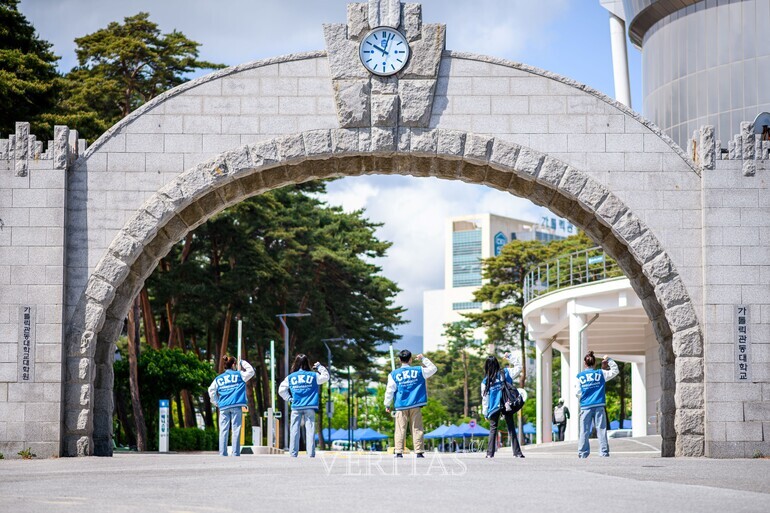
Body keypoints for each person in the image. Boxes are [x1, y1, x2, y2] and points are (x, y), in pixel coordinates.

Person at [384, 349, 437, 458]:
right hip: (415, 404)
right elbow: (433, 369)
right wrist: (423, 359)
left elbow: (390, 390)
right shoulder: (419, 370)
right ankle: (419, 451)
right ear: (411, 359)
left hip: (400, 406)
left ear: (399, 360)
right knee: (417, 428)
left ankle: (398, 452)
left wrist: (387, 404)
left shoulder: (393, 374)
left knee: (400, 429)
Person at [278, 354, 329, 458]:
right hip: (310, 406)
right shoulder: (313, 375)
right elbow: (325, 377)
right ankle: (310, 453)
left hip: (296, 406)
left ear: (296, 363)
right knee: (310, 430)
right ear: (307, 363)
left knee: (294, 430)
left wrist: (289, 398)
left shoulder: (290, 377)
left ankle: (293, 453)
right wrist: (320, 367)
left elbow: (281, 390)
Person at [208, 356, 255, 457]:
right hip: (236, 405)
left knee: (223, 430)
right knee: (236, 429)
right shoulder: (240, 375)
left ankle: (222, 453)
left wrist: (216, 402)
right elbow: (251, 371)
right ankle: (235, 453)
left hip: (223, 406)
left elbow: (211, 391)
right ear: (234, 364)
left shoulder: (218, 378)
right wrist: (242, 362)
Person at [575, 351, 619, 458]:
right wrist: (609, 360)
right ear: (595, 363)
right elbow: (615, 370)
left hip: (586, 406)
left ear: (585, 364)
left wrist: (584, 397)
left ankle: (583, 453)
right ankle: (604, 452)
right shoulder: (601, 373)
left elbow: (577, 393)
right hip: (599, 404)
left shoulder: (580, 376)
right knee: (601, 429)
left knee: (584, 430)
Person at [481, 352, 524, 458]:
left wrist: (485, 413)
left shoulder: (486, 381)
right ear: (497, 364)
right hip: (507, 404)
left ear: (486, 366)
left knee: (493, 429)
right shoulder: (506, 373)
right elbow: (519, 367)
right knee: (511, 428)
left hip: (494, 407)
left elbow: (485, 399)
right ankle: (517, 453)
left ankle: (490, 454)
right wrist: (510, 357)